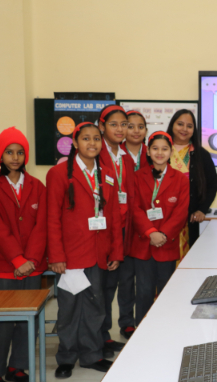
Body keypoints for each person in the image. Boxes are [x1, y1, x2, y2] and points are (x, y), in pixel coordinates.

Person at [47, 122, 123, 378]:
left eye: (96, 139)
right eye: (86, 139)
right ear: (75, 143)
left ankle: (92, 355)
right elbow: (52, 218)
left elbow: (113, 215)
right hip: (69, 255)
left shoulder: (107, 173)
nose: (92, 143)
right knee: (68, 309)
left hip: (98, 252)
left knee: (95, 306)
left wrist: (116, 251)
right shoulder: (59, 173)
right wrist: (56, 255)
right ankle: (67, 357)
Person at [0, 127, 47, 382]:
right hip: (4, 266)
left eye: (20, 152)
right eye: (9, 152)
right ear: (0, 155)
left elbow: (42, 227)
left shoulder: (37, 186)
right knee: (2, 323)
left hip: (33, 265)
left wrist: (32, 259)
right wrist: (17, 260)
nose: (15, 158)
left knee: (29, 320)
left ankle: (17, 366)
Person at [129, 131, 189, 326]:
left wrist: (163, 234)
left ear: (171, 152)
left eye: (164, 149)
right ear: (148, 151)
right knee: (144, 292)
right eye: (155, 148)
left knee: (166, 292)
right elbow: (135, 208)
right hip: (143, 244)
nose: (160, 153)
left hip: (166, 244)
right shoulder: (137, 177)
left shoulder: (180, 179)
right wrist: (150, 232)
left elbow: (180, 212)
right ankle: (141, 332)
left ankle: (165, 330)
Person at [97, 105, 137, 348]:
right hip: (103, 230)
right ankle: (99, 336)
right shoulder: (95, 153)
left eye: (124, 124)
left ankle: (109, 332)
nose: (120, 129)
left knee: (118, 283)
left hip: (123, 229)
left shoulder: (125, 157)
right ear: (102, 126)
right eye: (114, 124)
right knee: (103, 287)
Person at [166, 109, 217, 250]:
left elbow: (212, 185)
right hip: (164, 218)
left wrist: (202, 209)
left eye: (189, 126)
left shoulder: (201, 154)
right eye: (180, 124)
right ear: (172, 125)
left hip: (190, 218)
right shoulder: (160, 151)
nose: (184, 129)